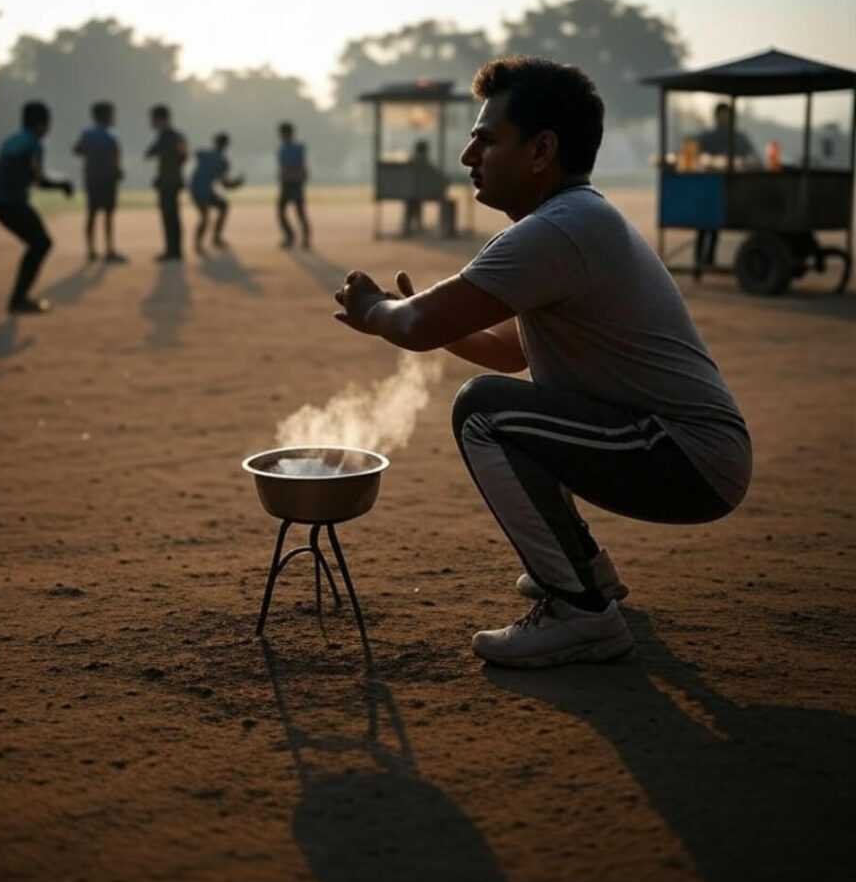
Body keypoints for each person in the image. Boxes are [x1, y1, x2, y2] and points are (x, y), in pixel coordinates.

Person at [334, 56, 752, 670]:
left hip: (686, 455)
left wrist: (375, 309)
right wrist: (426, 319)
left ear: (541, 151)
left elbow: (419, 326)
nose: (467, 156)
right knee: (508, 408)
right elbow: (506, 351)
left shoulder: (559, 229)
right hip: (683, 448)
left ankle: (581, 613)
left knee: (483, 413)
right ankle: (588, 574)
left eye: (486, 139)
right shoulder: (575, 220)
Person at [0, 101, 73, 315]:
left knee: (38, 243)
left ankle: (19, 298)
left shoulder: (13, 141)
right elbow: (39, 180)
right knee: (41, 243)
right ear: (41, 124)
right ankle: (18, 300)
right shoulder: (33, 144)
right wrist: (63, 184)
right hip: (10, 202)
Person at [693, 103, 758, 272]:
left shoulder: (738, 137)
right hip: (707, 186)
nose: (724, 118)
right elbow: (695, 157)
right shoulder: (707, 137)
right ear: (716, 117)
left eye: (727, 115)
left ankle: (708, 260)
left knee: (714, 228)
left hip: (731, 188)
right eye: (722, 115)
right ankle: (698, 262)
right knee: (703, 226)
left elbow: (752, 156)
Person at [73, 101, 125, 263]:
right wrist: (117, 171)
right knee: (108, 215)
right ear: (107, 116)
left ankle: (91, 250)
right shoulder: (112, 136)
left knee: (92, 213)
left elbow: (77, 150)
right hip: (108, 180)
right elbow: (116, 158)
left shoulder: (87, 134)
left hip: (92, 179)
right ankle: (109, 249)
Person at [146, 104, 188, 261]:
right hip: (174, 180)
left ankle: (172, 250)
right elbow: (184, 156)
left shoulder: (165, 136)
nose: (151, 123)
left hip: (167, 182)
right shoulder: (177, 136)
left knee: (168, 216)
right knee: (173, 216)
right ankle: (175, 250)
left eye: (153, 119)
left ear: (160, 119)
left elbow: (149, 153)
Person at [189, 132, 244, 253]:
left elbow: (195, 153)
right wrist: (237, 183)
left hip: (196, 189)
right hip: (201, 191)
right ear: (226, 145)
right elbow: (226, 185)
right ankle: (209, 240)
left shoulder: (203, 154)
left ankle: (209, 240)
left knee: (217, 210)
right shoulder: (223, 162)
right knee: (208, 215)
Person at [277, 121, 311, 249]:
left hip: (292, 182)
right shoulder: (296, 147)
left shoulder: (289, 148)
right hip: (291, 182)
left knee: (296, 212)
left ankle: (293, 237)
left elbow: (293, 165)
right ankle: (296, 237)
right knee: (296, 212)